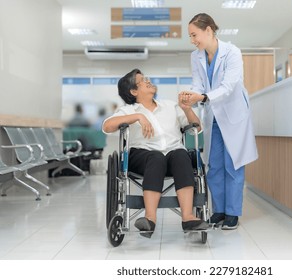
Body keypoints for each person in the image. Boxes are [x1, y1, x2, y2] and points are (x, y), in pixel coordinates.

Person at [102, 68, 208, 238]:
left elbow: (197, 127)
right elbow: (107, 126)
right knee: (156, 156)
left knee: (181, 155)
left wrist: (187, 109)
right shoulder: (129, 109)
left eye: (147, 78)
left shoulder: (170, 106)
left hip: (173, 155)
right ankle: (149, 218)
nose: (148, 81)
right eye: (143, 81)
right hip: (143, 156)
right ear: (134, 91)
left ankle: (188, 217)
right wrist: (138, 117)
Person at [180, 13, 258, 230]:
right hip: (213, 116)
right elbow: (198, 84)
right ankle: (219, 211)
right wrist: (190, 96)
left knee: (233, 164)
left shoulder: (232, 52)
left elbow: (229, 86)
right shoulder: (196, 56)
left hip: (233, 115)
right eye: (190, 36)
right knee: (214, 166)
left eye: (194, 35)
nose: (193, 40)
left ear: (209, 30)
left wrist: (203, 97)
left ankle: (233, 213)